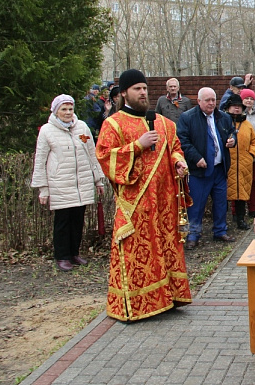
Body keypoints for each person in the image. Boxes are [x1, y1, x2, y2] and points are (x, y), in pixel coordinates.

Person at [95, 69, 192, 321]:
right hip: (135, 206)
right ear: (125, 92)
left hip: (164, 203)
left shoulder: (163, 123)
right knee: (139, 255)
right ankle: (139, 305)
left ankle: (168, 298)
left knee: (165, 249)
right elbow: (105, 157)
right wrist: (138, 145)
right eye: (137, 89)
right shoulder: (113, 124)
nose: (142, 93)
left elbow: (175, 148)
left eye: (145, 88)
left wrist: (179, 162)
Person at [32, 94, 105, 272]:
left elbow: (91, 152)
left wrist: (98, 179)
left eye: (70, 109)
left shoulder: (82, 127)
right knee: (63, 222)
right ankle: (62, 256)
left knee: (78, 220)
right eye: (63, 109)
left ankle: (74, 253)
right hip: (60, 183)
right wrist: (43, 189)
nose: (67, 113)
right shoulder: (47, 131)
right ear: (56, 111)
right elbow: (40, 160)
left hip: (82, 182)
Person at [177, 87, 237, 249]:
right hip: (199, 171)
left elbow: (231, 133)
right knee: (196, 204)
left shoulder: (223, 117)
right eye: (207, 100)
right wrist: (196, 158)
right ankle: (193, 235)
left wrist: (232, 140)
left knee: (220, 203)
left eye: (213, 100)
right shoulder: (188, 118)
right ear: (199, 101)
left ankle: (220, 231)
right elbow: (183, 141)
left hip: (219, 169)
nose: (211, 103)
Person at [224, 95, 255, 231]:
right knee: (225, 193)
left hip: (244, 163)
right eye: (234, 106)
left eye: (239, 106)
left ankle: (240, 219)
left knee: (242, 193)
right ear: (228, 108)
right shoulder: (222, 123)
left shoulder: (247, 125)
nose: (237, 108)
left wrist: (251, 154)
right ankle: (222, 223)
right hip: (228, 163)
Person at [241, 88, 255, 218]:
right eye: (246, 98)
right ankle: (237, 211)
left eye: (251, 98)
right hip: (241, 156)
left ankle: (252, 208)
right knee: (241, 182)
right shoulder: (238, 114)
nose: (249, 101)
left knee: (254, 182)